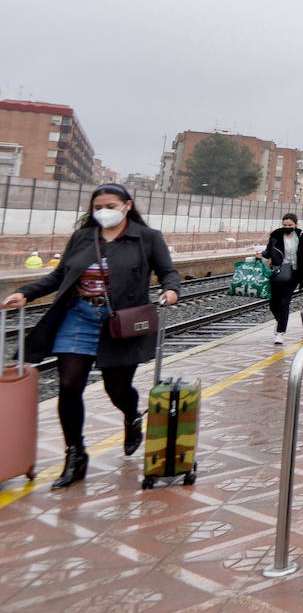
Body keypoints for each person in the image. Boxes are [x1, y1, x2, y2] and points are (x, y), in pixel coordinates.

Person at [2, 184, 180, 489]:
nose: (103, 212)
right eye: (97, 207)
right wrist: (24, 293)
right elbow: (59, 276)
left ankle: (131, 416)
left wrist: (171, 289)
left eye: (110, 205)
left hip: (121, 323)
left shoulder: (147, 238)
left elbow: (168, 272)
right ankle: (75, 455)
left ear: (127, 205)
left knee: (117, 389)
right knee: (69, 385)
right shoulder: (84, 237)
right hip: (78, 317)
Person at [262, 214, 303, 345]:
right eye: (285, 225)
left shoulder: (302, 238)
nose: (287, 227)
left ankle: (280, 333)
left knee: (284, 303)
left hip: (294, 274)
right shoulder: (275, 236)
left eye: (290, 225)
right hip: (276, 272)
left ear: (296, 224)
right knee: (273, 304)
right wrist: (260, 255)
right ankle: (281, 322)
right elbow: (268, 253)